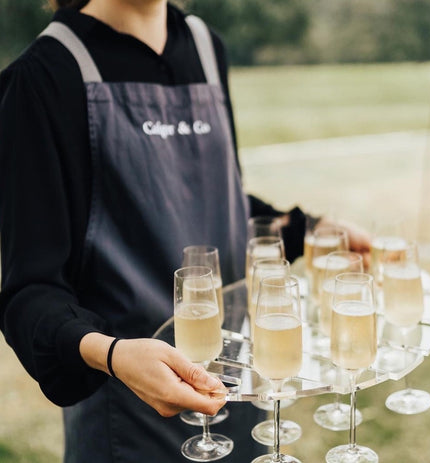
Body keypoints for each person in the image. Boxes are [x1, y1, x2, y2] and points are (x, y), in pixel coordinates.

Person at [0, 0, 371, 461]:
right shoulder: (43, 76)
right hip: (130, 420)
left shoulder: (205, 47)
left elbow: (219, 199)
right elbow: (30, 291)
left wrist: (307, 230)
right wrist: (113, 355)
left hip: (239, 395)